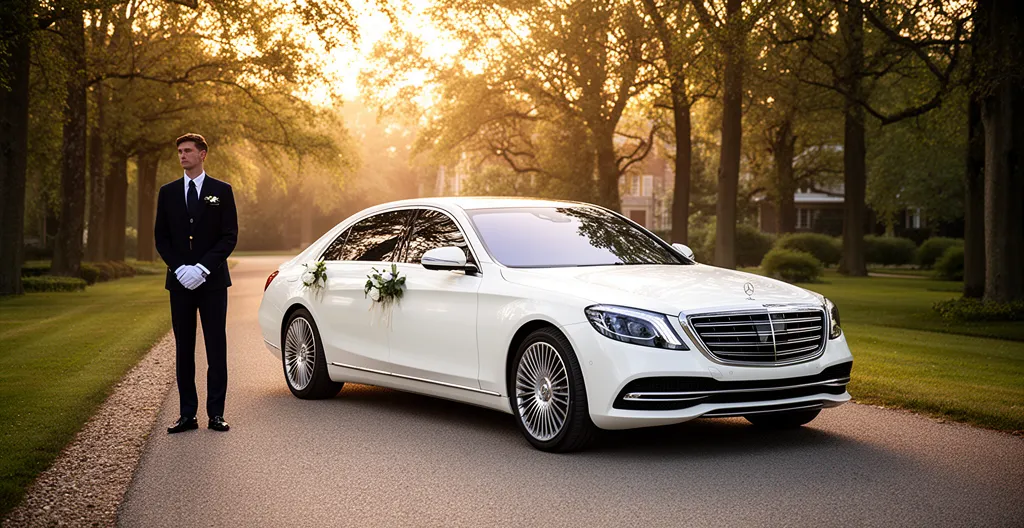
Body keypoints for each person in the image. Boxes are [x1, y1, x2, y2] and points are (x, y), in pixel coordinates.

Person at [154, 133, 238, 434]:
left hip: (212, 282)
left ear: (203, 154)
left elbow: (229, 236)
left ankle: (216, 413)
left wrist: (202, 268)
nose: (182, 156)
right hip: (179, 284)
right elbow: (161, 237)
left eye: (188, 150)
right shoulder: (168, 192)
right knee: (184, 348)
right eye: (179, 151)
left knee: (216, 347)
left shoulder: (221, 191)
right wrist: (180, 269)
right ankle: (187, 414)